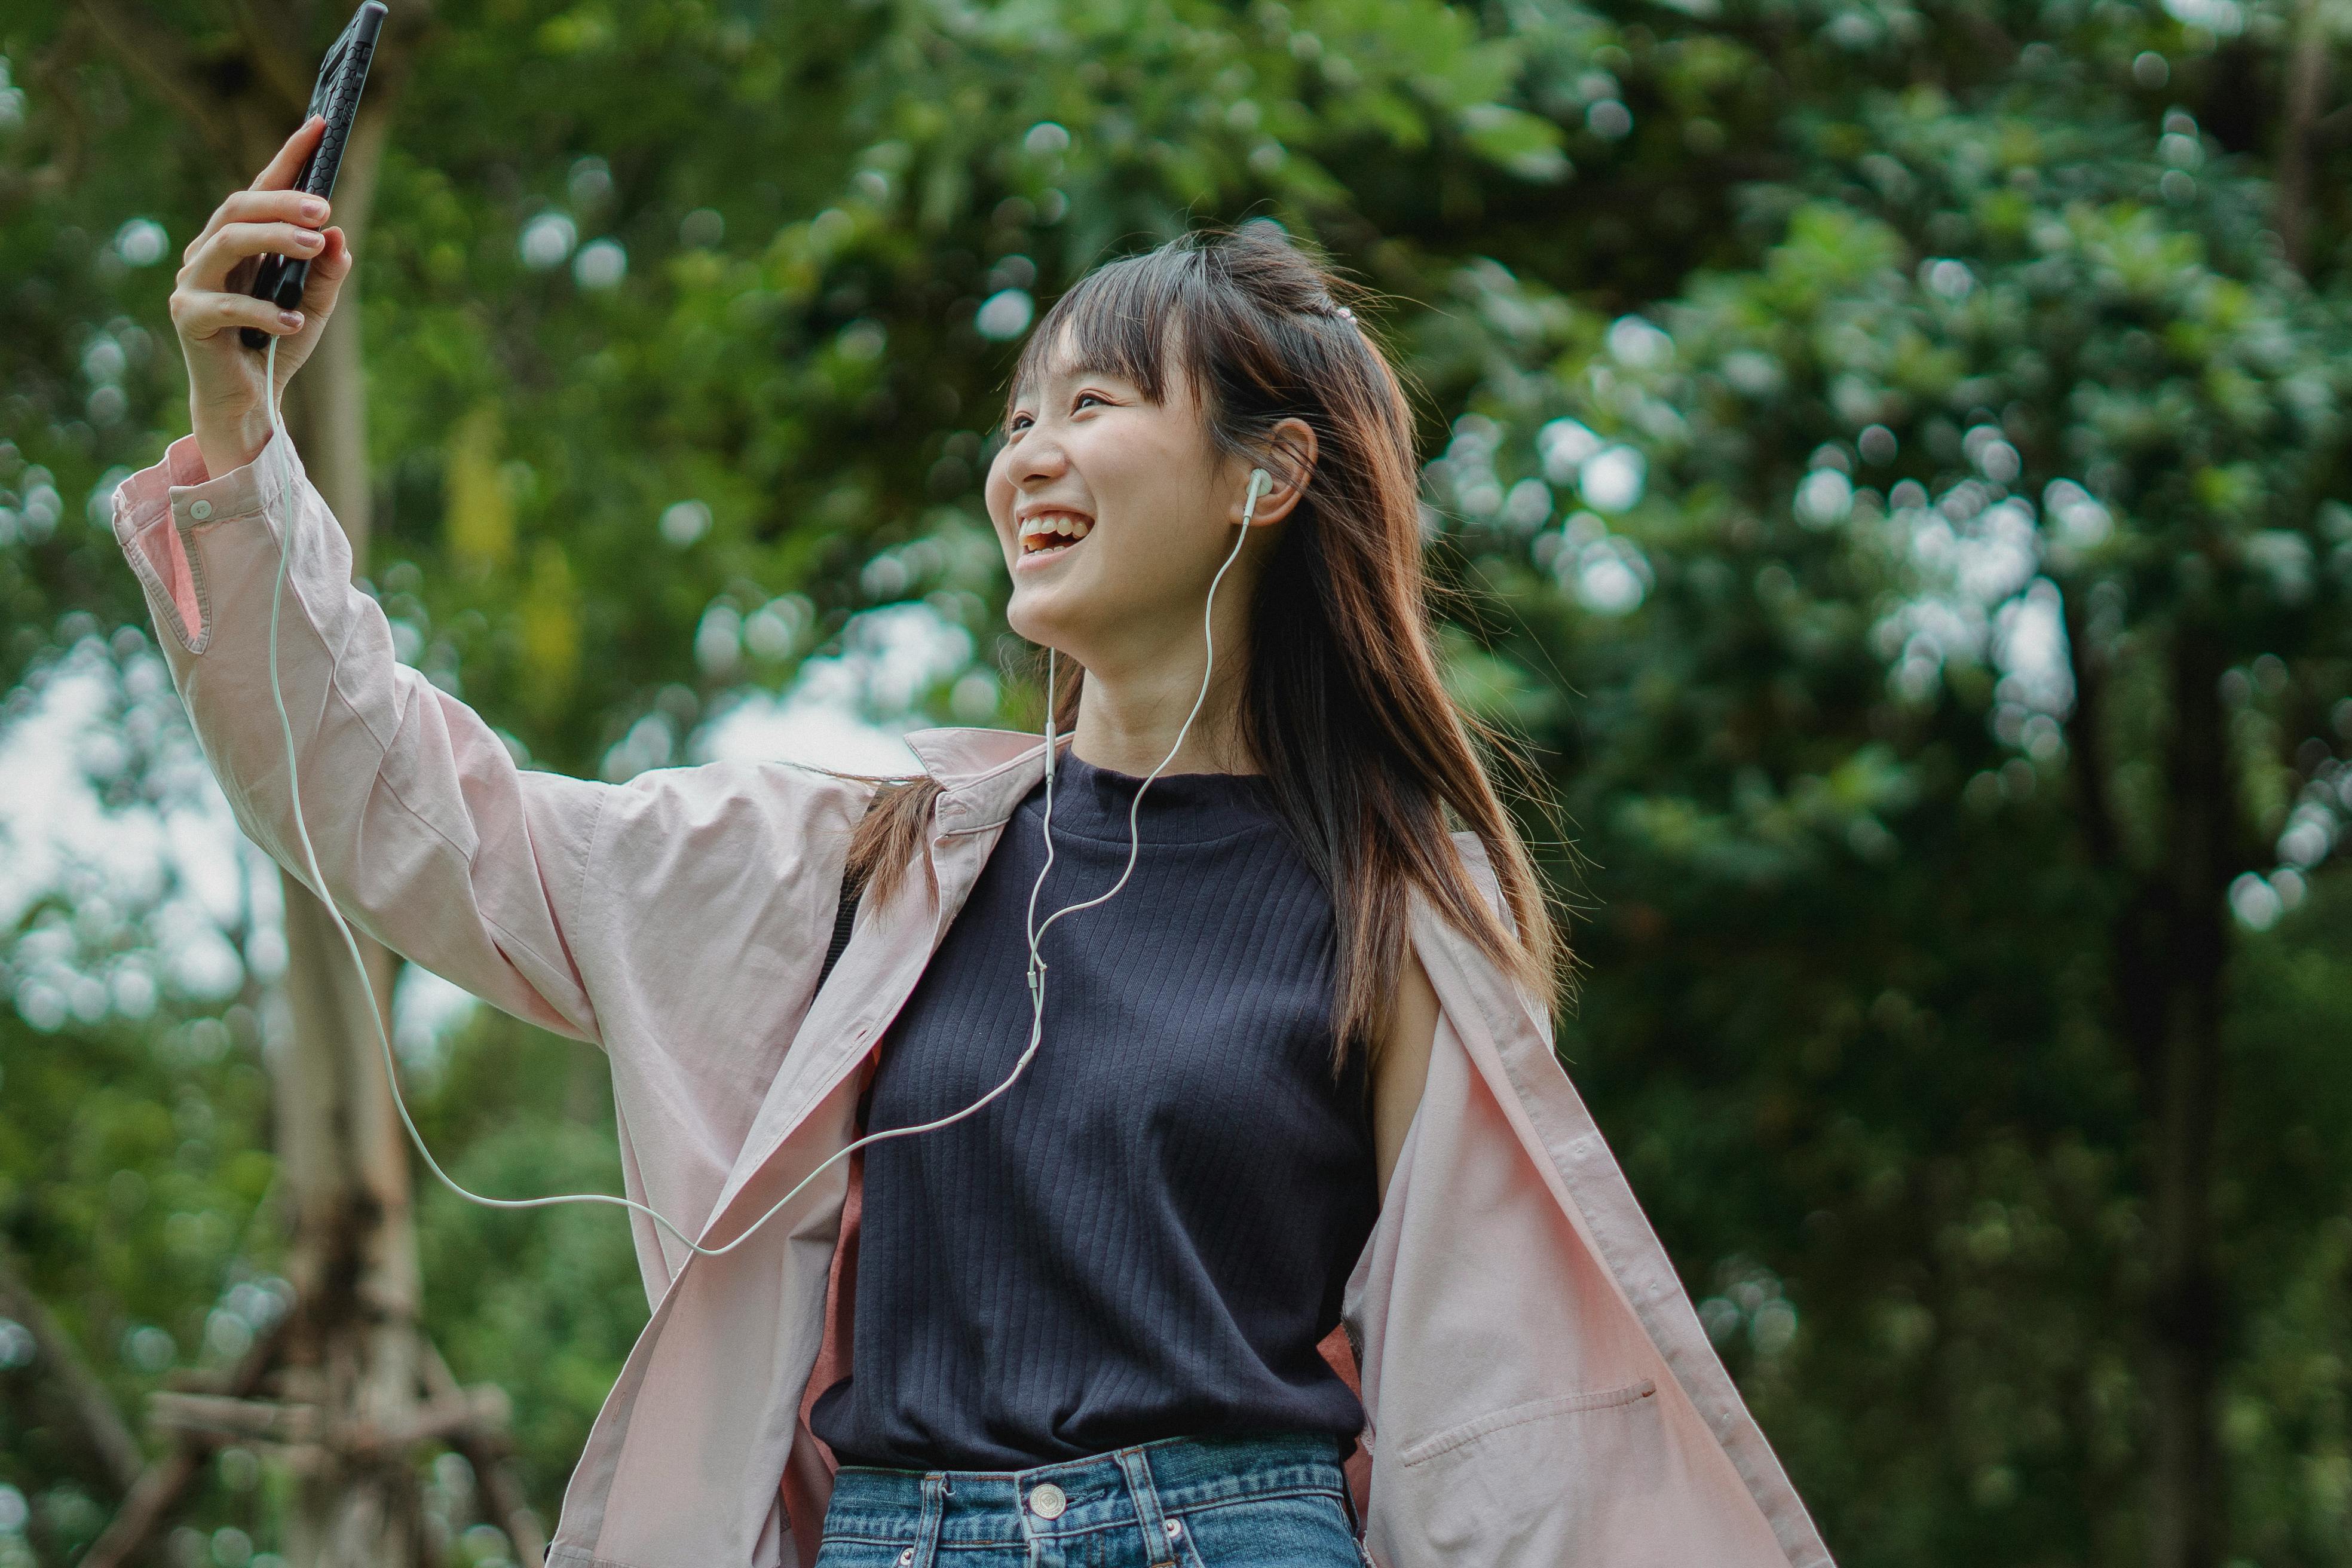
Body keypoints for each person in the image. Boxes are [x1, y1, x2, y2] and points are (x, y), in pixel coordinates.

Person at [112, 114, 1836, 1567]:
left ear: (1268, 474)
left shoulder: (1391, 900)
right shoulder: (869, 865)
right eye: (1018, 420)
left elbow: (1501, 1407)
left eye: (1095, 406)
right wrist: (242, 435)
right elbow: (419, 812)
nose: (1029, 457)